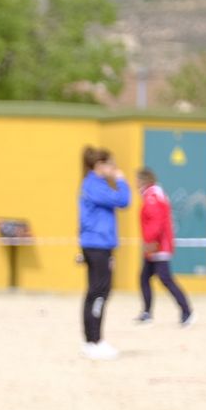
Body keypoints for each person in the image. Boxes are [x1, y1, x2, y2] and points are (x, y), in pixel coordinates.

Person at [77, 146, 132, 360]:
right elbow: (123, 200)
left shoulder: (93, 184)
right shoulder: (95, 185)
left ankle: (91, 340)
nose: (114, 168)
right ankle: (95, 341)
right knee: (99, 292)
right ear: (99, 166)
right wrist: (121, 180)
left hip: (98, 244)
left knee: (95, 292)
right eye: (110, 164)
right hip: (98, 245)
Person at [134, 167, 194, 328]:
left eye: (137, 179)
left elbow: (156, 222)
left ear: (143, 180)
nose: (134, 183)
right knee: (144, 278)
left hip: (158, 246)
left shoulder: (152, 196)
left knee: (166, 279)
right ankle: (147, 313)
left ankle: (187, 311)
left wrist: (149, 241)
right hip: (155, 246)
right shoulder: (153, 195)